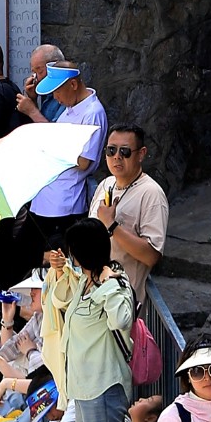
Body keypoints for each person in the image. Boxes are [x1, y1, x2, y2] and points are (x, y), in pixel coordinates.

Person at [49, 220, 133, 422]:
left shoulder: (115, 280)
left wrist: (108, 285)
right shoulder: (85, 281)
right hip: (83, 390)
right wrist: (61, 271)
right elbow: (59, 300)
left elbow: (121, 320)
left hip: (104, 389)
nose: (70, 257)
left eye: (72, 252)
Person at [26, 65, 108, 254]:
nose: (55, 97)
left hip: (63, 204)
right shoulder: (70, 108)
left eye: (57, 91)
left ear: (73, 84)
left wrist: (53, 143)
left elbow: (84, 161)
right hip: (45, 199)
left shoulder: (92, 113)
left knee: (59, 260)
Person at [88, 126, 167, 310]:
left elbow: (151, 255)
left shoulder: (151, 193)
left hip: (122, 305)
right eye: (111, 150)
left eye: (124, 151)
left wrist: (112, 225)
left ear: (141, 154)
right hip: (93, 295)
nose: (117, 157)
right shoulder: (105, 184)